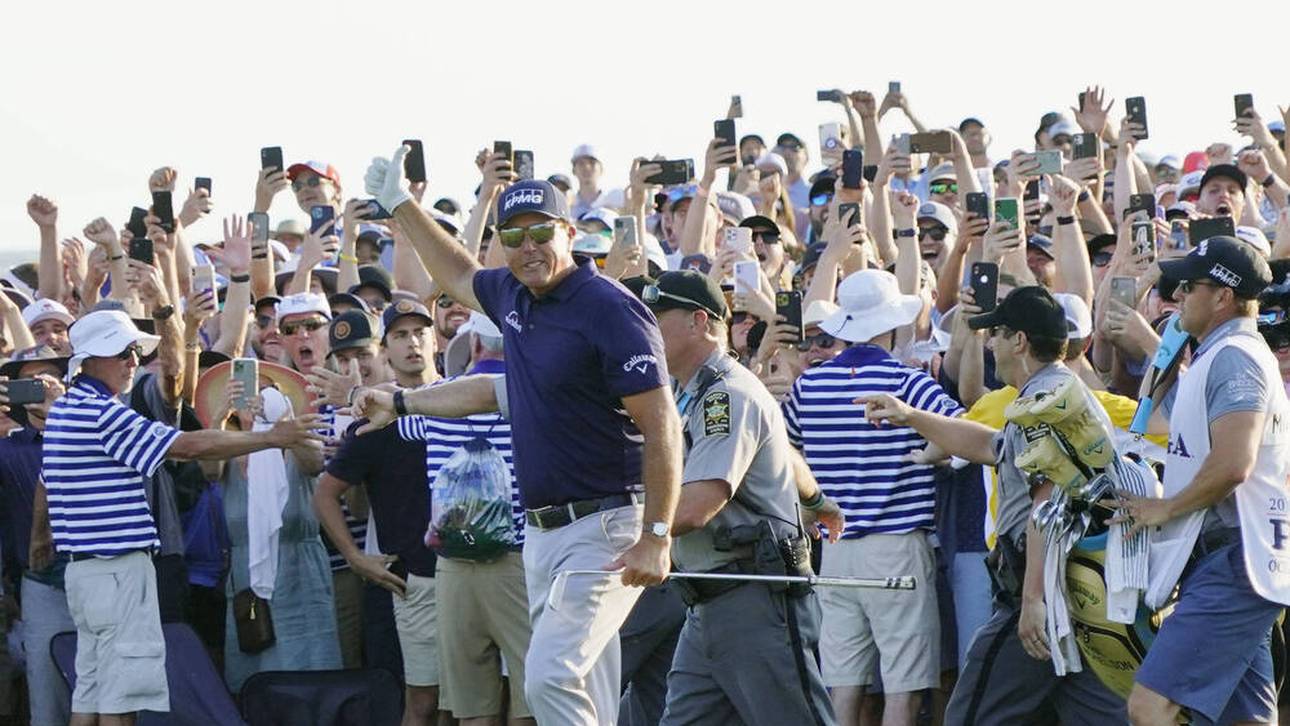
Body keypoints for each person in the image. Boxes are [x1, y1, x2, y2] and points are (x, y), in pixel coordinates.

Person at [360, 152, 682, 726]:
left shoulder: (609, 308)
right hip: (541, 534)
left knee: (550, 677)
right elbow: (458, 276)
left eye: (540, 232)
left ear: (569, 232)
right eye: (513, 236)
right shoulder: (513, 293)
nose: (527, 247)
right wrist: (402, 206)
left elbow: (663, 427)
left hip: (604, 527)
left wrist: (657, 535)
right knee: (588, 687)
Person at [42, 308, 327, 725]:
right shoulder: (101, 412)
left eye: (134, 351)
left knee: (91, 693)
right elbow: (188, 447)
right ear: (89, 361)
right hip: (117, 573)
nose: (133, 361)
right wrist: (270, 437)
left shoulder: (66, 409)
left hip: (89, 575)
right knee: (120, 703)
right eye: (121, 353)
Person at [860, 286, 1127, 725]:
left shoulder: (1045, 405)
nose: (990, 345)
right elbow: (992, 446)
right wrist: (911, 415)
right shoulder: (1053, 392)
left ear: (1019, 341)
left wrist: (1033, 599)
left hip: (1045, 589)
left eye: (997, 334)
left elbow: (1047, 507)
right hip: (1079, 592)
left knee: (970, 715)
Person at [636, 270, 841, 725]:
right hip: (710, 600)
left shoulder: (725, 395)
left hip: (753, 598)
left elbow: (698, 505)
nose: (644, 328)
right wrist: (815, 500)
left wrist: (626, 530)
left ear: (699, 322)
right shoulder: (693, 391)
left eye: (656, 317)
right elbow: (780, 449)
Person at [1115, 237, 1287, 725]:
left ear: (1223, 296)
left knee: (1149, 707)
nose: (1177, 295)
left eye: (1189, 286)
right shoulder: (1220, 354)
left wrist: (1165, 508)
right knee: (1245, 720)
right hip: (1239, 558)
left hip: (1234, 560)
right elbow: (1169, 431)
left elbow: (1234, 462)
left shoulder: (1235, 356)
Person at [783, 269, 962, 726]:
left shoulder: (809, 385)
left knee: (842, 687)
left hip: (835, 550)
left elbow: (785, 452)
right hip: (898, 549)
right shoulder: (910, 382)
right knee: (904, 688)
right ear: (891, 322)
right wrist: (932, 454)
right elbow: (963, 437)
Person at [393, 309, 535, 725]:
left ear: (474, 344)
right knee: (528, 699)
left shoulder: (435, 398)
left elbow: (403, 429)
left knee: (472, 706)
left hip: (452, 562)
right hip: (518, 562)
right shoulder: (534, 396)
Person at [314, 299, 446, 725]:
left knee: (473, 700)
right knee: (421, 703)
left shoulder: (465, 400)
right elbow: (326, 494)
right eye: (400, 335)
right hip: (414, 579)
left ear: (436, 339)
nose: (413, 343)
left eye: (420, 332)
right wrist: (355, 558)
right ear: (387, 349)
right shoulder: (373, 421)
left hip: (474, 573)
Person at [0, 346, 71, 726]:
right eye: (30, 380)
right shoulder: (7, 450)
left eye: (49, 377)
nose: (40, 385)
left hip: (104, 575)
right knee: (47, 694)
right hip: (41, 582)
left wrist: (62, 416)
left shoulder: (91, 433)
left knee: (110, 692)